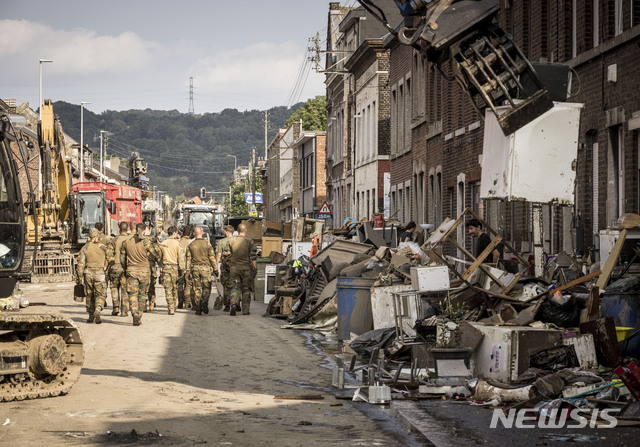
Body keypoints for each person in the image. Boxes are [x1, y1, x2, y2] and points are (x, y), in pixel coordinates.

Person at [121, 223, 161, 326]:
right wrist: (155, 243)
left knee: (132, 294)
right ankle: (139, 315)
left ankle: (134, 312)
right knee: (142, 295)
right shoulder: (146, 242)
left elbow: (122, 259)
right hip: (144, 272)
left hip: (131, 271)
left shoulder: (127, 242)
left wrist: (126, 268)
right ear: (143, 231)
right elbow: (157, 254)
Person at [77, 228, 110, 324]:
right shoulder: (103, 247)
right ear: (97, 236)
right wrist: (106, 268)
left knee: (89, 295)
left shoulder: (85, 248)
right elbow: (111, 258)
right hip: (100, 273)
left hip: (88, 273)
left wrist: (79, 277)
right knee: (100, 294)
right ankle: (98, 309)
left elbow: (81, 264)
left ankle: (90, 316)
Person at [186, 226, 216, 316]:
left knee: (196, 289)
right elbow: (212, 258)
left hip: (195, 269)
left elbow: (188, 259)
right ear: (202, 233)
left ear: (194, 234)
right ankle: (204, 303)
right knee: (206, 288)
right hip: (205, 269)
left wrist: (187, 271)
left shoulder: (190, 245)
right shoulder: (207, 244)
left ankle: (198, 308)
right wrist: (215, 269)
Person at [228, 222, 257, 316]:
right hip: (246, 269)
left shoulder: (232, 241)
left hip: (234, 269)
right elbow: (253, 257)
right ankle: (245, 310)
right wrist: (255, 268)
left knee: (235, 287)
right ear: (246, 230)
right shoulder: (249, 241)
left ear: (237, 230)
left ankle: (233, 303)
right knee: (246, 289)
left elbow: (227, 255)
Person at [107, 221, 131, 316]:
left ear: (119, 229)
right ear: (127, 229)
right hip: (127, 267)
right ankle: (124, 310)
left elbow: (108, 254)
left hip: (115, 266)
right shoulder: (131, 239)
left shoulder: (113, 240)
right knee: (125, 289)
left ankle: (116, 307)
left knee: (114, 287)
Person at [159, 226, 180, 315]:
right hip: (174, 268)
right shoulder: (177, 243)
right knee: (174, 288)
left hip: (166, 268)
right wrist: (182, 269)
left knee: (167, 289)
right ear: (174, 233)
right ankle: (174, 305)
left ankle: (170, 307)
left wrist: (160, 266)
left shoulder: (163, 243)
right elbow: (180, 257)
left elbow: (159, 257)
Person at [214, 225, 235, 312]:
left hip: (225, 266)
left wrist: (215, 266)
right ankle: (235, 303)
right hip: (236, 266)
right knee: (235, 285)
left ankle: (227, 305)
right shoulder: (237, 240)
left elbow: (218, 255)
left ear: (226, 231)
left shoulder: (222, 241)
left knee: (226, 285)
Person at [177, 225, 194, 309]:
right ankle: (187, 303)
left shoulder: (178, 242)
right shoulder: (191, 242)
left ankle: (180, 301)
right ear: (190, 234)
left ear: (182, 233)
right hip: (188, 266)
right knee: (188, 285)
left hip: (179, 266)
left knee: (180, 284)